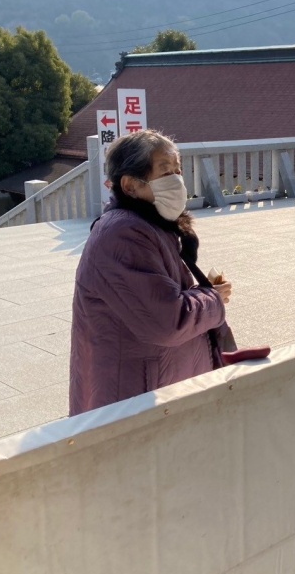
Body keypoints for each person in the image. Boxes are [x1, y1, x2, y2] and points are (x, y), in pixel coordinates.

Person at [70, 130, 233, 415]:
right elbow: (168, 322)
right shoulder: (123, 234)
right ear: (130, 185)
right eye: (165, 171)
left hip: (159, 385)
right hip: (134, 398)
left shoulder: (150, 224)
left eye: (178, 170)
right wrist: (212, 300)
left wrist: (202, 294)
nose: (177, 180)